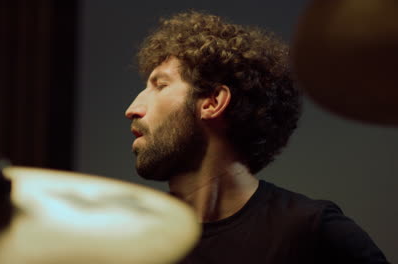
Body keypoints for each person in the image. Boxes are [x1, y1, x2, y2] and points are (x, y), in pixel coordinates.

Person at [124, 11, 388, 264]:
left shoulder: (311, 229)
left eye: (161, 85)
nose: (132, 109)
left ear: (213, 102)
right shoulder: (131, 238)